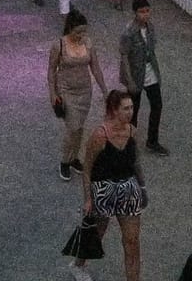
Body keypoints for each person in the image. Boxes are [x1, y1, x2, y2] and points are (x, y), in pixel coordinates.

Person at [81, 89, 149, 281]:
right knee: (97, 233)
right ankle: (79, 263)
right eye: (125, 109)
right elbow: (87, 168)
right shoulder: (100, 136)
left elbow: (136, 163)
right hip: (104, 190)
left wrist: (142, 188)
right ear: (114, 110)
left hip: (128, 190)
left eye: (132, 107)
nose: (130, 112)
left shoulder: (132, 132)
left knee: (132, 241)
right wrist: (88, 199)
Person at [51, 9, 110, 179]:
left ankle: (74, 157)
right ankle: (64, 160)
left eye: (84, 31)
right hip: (66, 91)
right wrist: (53, 93)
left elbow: (96, 68)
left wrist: (104, 90)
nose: (81, 35)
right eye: (78, 32)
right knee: (73, 127)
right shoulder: (59, 45)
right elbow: (51, 71)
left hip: (84, 91)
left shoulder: (88, 43)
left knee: (80, 126)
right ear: (70, 28)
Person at [116, 0, 168, 156]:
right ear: (135, 13)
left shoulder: (150, 27)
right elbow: (124, 56)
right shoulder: (129, 32)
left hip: (149, 70)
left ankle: (152, 141)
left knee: (157, 105)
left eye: (147, 11)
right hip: (136, 73)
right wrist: (129, 79)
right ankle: (128, 142)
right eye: (142, 12)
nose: (145, 15)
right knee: (133, 111)